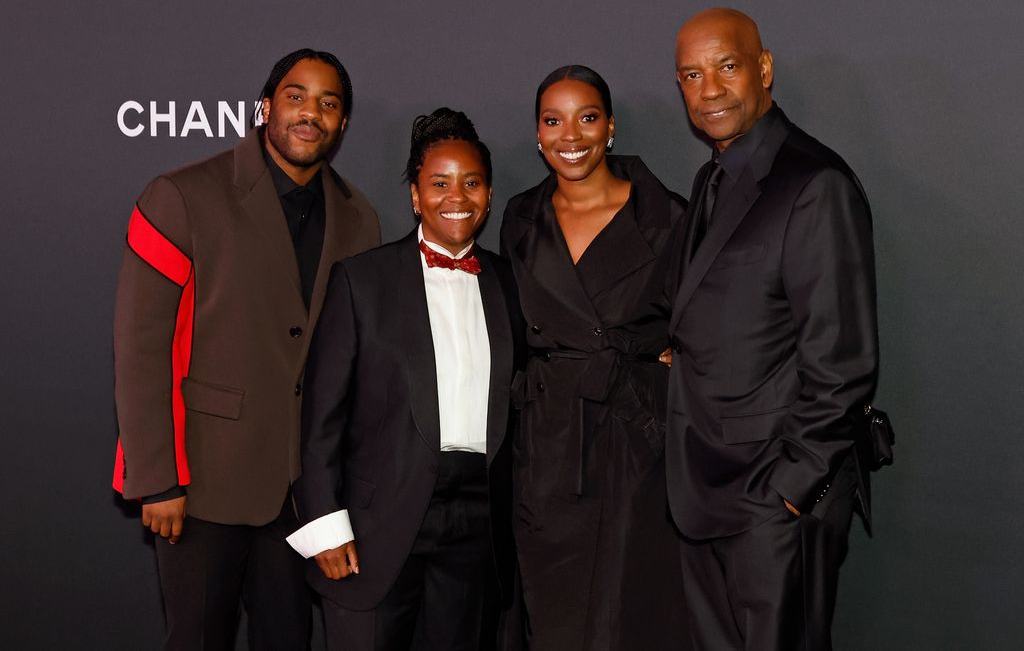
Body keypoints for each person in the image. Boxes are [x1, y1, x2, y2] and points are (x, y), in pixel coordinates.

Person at [112, 48, 380, 650]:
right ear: (265, 108)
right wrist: (157, 479)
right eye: (296, 96)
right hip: (202, 483)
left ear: (343, 125)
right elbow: (139, 349)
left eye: (328, 103)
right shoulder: (181, 195)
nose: (311, 112)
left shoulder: (360, 219)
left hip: (302, 493)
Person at [666, 8, 879, 651]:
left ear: (764, 69)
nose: (709, 89)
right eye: (691, 75)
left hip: (774, 502)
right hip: (705, 489)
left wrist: (789, 490)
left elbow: (843, 363)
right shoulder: (710, 180)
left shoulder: (815, 184)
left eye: (726, 67)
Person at [286, 108, 524, 651]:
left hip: (478, 525)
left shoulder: (512, 284)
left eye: (472, 182)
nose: (456, 196)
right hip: (376, 523)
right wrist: (325, 522)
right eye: (439, 183)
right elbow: (320, 415)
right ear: (415, 196)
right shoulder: (362, 281)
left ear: (488, 195)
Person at [500, 65, 688, 650]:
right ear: (537, 134)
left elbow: (708, 324)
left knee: (633, 613)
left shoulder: (668, 217)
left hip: (640, 440)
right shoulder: (520, 219)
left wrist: (677, 362)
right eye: (553, 121)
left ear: (610, 127)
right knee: (553, 613)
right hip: (550, 442)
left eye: (586, 118)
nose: (570, 135)